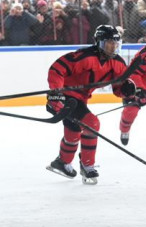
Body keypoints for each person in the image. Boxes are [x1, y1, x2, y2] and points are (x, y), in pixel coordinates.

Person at [45, 24, 137, 184]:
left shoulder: (118, 63)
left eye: (116, 43)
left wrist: (126, 90)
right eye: (109, 43)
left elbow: (118, 88)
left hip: (81, 99)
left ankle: (62, 162)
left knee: (73, 132)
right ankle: (88, 166)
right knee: (92, 123)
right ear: (99, 42)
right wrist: (56, 93)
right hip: (67, 95)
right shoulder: (85, 57)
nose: (113, 47)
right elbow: (57, 69)